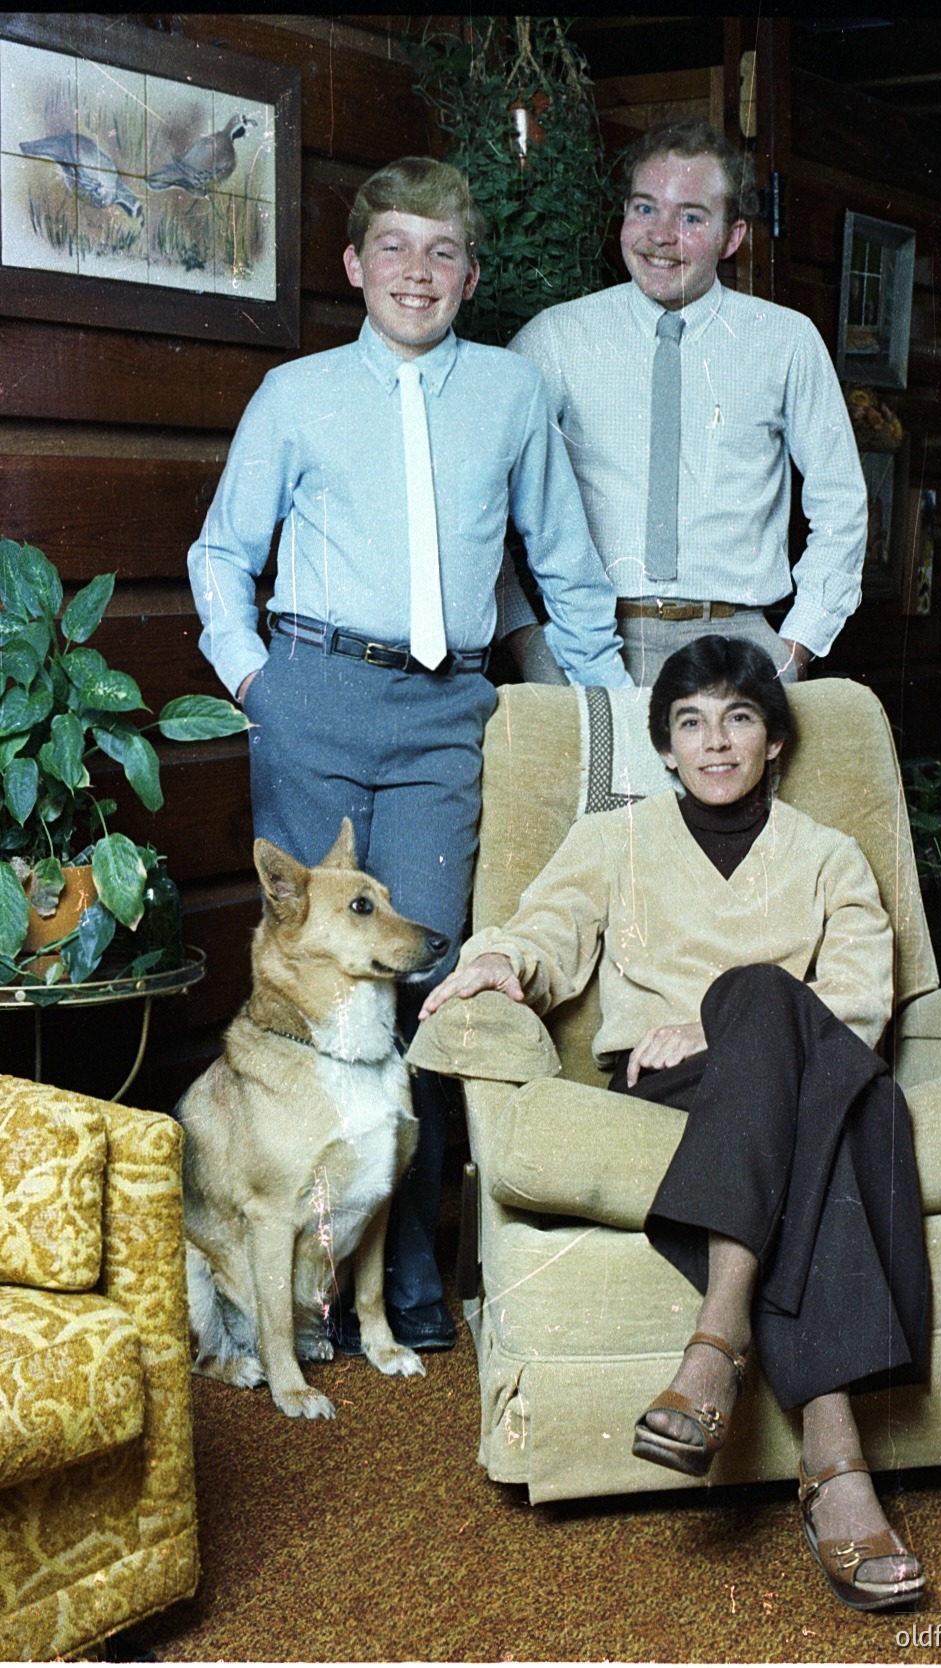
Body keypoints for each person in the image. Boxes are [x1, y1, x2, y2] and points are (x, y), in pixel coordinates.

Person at [187, 157, 629, 1355]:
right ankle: (317, 1277)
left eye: (441, 252)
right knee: (323, 977)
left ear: (470, 274)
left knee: (425, 979)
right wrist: (254, 681)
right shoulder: (294, 394)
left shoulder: (509, 394)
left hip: (447, 711)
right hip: (314, 693)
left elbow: (566, 571)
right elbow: (220, 554)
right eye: (393, 246)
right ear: (353, 264)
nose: (417, 272)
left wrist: (615, 723)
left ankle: (412, 1264)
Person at [420, 635, 929, 1612]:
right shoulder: (613, 841)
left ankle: (717, 1350)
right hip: (669, 1091)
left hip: (808, 1075)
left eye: (739, 718)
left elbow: (858, 1006)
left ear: (773, 740)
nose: (716, 742)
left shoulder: (829, 857)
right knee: (780, 1036)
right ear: (662, 746)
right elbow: (546, 931)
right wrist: (502, 963)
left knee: (768, 1003)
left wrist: (716, 1020)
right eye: (690, 722)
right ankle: (838, 1474)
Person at [499, 117, 867, 687]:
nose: (660, 235)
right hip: (589, 644)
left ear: (733, 237)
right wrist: (525, 640)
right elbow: (478, 497)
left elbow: (841, 504)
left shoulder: (786, 341)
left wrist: (794, 651)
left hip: (737, 648)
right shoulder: (555, 339)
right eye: (645, 208)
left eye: (691, 217)